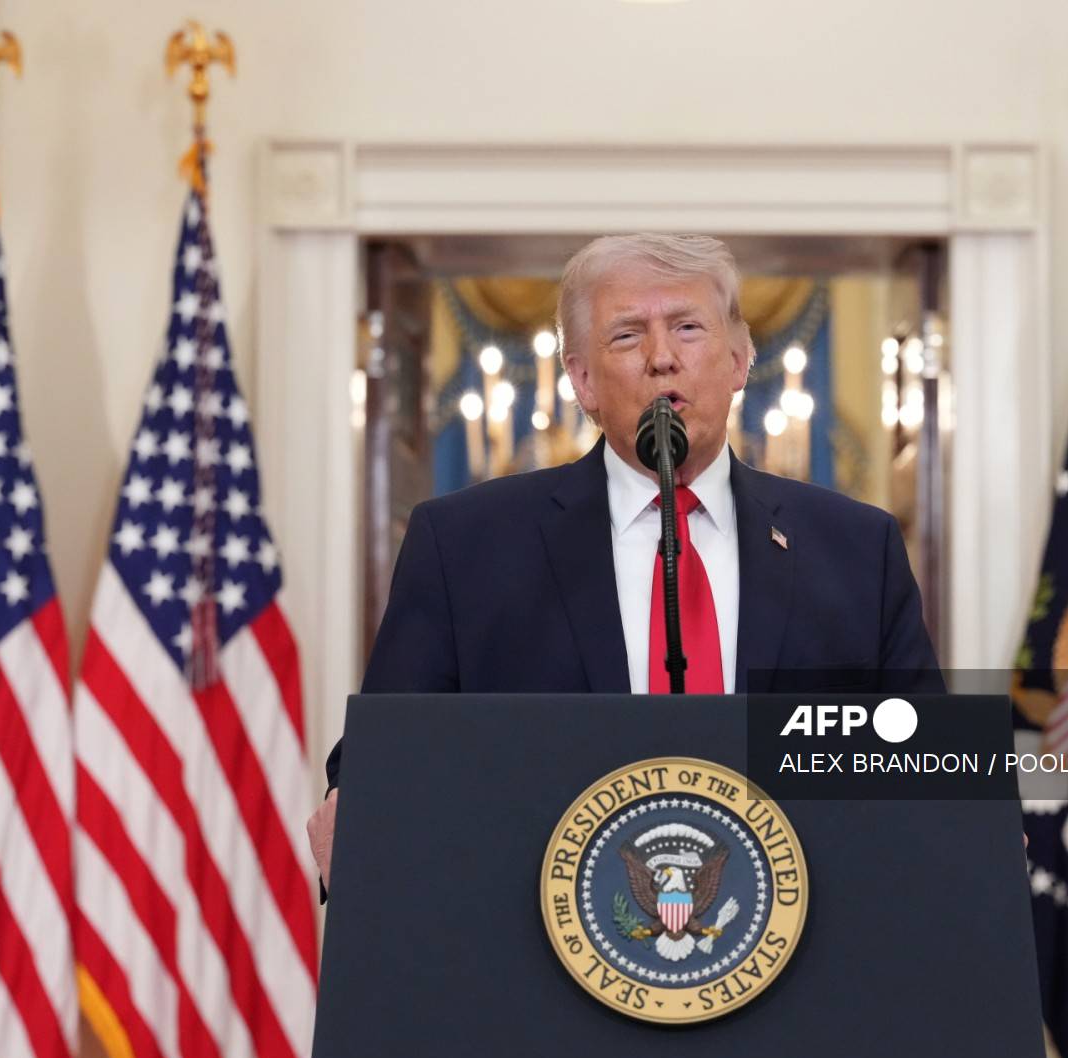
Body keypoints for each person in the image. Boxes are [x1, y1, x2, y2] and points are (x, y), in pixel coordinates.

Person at [308, 233, 942, 891]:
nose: (662, 357)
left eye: (689, 328)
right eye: (627, 337)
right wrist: (354, 804)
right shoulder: (466, 546)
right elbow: (385, 758)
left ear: (738, 359)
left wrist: (983, 803)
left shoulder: (854, 549)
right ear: (582, 379)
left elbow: (923, 760)